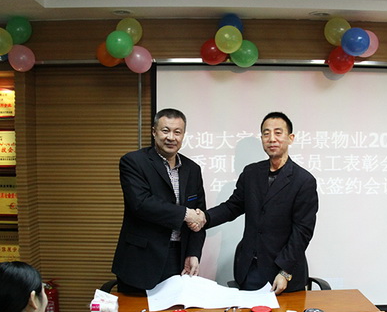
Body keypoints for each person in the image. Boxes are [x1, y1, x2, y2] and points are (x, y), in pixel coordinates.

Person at [192, 112, 318, 294]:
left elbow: (302, 232)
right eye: (266, 133)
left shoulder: (304, 181)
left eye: (278, 133)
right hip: (251, 269)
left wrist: (285, 271)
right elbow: (232, 207)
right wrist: (204, 217)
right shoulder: (251, 173)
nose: (272, 138)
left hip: (283, 272)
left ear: (290, 138)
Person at [112, 108, 206, 292]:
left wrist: (193, 253)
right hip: (141, 260)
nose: (171, 137)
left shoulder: (192, 169)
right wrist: (185, 214)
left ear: (183, 135)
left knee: (174, 309)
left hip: (179, 259)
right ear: (154, 132)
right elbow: (141, 204)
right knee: (138, 309)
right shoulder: (133, 162)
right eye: (165, 130)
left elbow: (199, 214)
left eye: (177, 132)